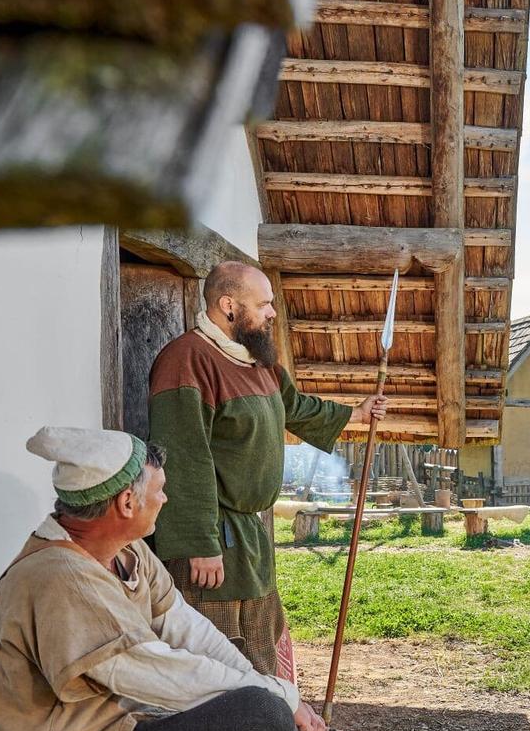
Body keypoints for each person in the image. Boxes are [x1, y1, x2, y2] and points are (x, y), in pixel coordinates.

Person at [0, 427, 324, 731]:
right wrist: (279, 699)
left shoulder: (126, 551)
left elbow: (187, 627)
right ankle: (303, 729)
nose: (166, 497)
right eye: (159, 489)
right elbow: (161, 674)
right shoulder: (58, 578)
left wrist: (280, 697)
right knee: (260, 713)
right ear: (125, 503)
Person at [148, 262, 388, 676]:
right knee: (218, 650)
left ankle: (273, 728)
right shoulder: (186, 361)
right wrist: (200, 544)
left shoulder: (259, 361)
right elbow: (184, 459)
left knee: (258, 640)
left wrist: (356, 414)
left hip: (249, 538)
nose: (272, 312)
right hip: (212, 541)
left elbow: (293, 407)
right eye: (263, 304)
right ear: (228, 306)